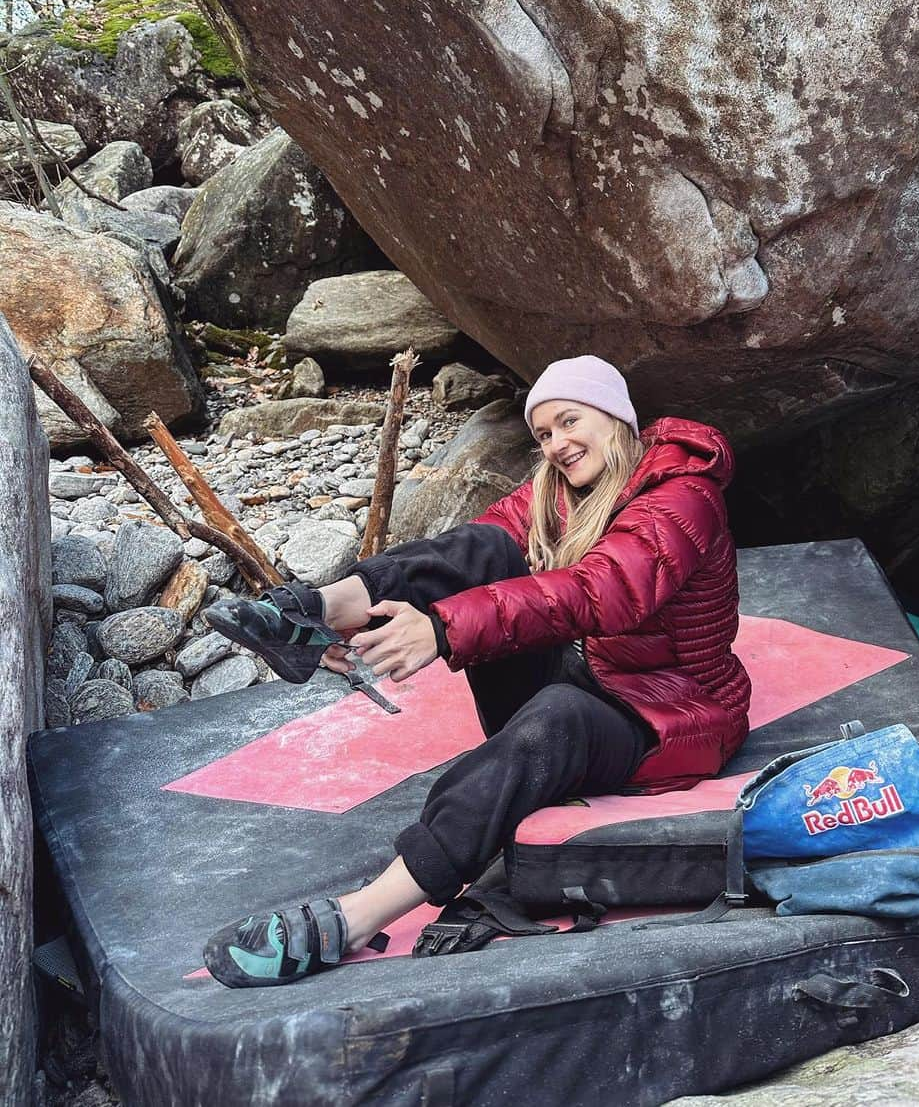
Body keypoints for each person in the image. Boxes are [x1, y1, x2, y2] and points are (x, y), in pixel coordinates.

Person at [202, 355, 749, 987]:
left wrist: (440, 630)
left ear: (614, 415)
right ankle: (314, 608)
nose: (558, 445)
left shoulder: (684, 495)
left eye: (569, 422)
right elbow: (476, 549)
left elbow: (604, 591)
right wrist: (367, 617)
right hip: (591, 671)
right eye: (543, 434)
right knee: (484, 549)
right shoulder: (561, 490)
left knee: (554, 719)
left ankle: (357, 916)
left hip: (671, 714)